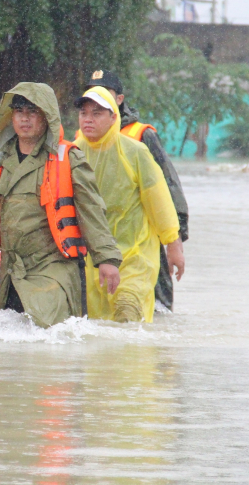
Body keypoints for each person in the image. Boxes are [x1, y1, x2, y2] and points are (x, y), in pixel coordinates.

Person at [0, 83, 122, 328]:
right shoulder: (0, 160)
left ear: (46, 116)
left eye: (32, 111)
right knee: (6, 343)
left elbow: (91, 213)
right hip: (11, 271)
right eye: (19, 111)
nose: (25, 118)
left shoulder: (68, 159)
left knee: (49, 339)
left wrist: (107, 259)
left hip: (53, 268)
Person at [74, 86, 185, 323]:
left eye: (97, 113)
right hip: (92, 259)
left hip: (135, 256)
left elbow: (160, 202)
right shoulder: (73, 154)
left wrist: (173, 244)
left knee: (128, 311)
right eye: (84, 113)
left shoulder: (135, 152)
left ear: (113, 117)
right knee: (99, 326)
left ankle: (138, 361)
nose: (88, 119)